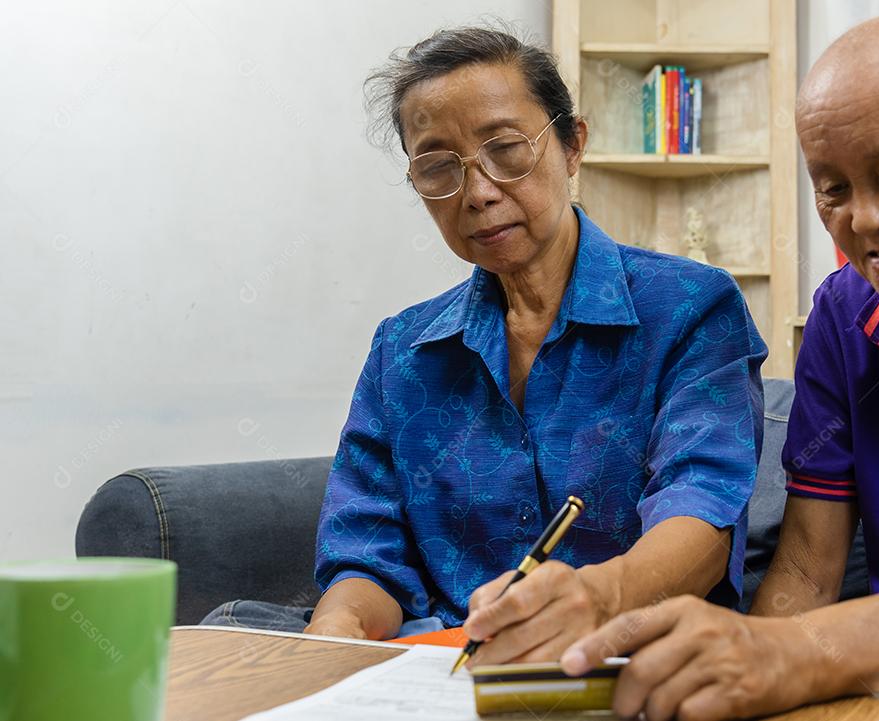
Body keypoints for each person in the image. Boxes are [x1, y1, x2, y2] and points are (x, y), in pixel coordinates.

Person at [559, 12, 879, 721]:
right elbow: (807, 566)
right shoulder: (845, 315)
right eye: (831, 189)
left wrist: (798, 654)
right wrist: (739, 672)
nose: (862, 221)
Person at [203, 27, 767, 666]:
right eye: (439, 167)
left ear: (571, 145)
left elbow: (701, 511)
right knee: (231, 634)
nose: (477, 193)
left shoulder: (691, 307)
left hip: (627, 659)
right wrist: (338, 632)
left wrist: (595, 599)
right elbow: (368, 555)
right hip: (441, 668)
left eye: (505, 150)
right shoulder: (403, 350)